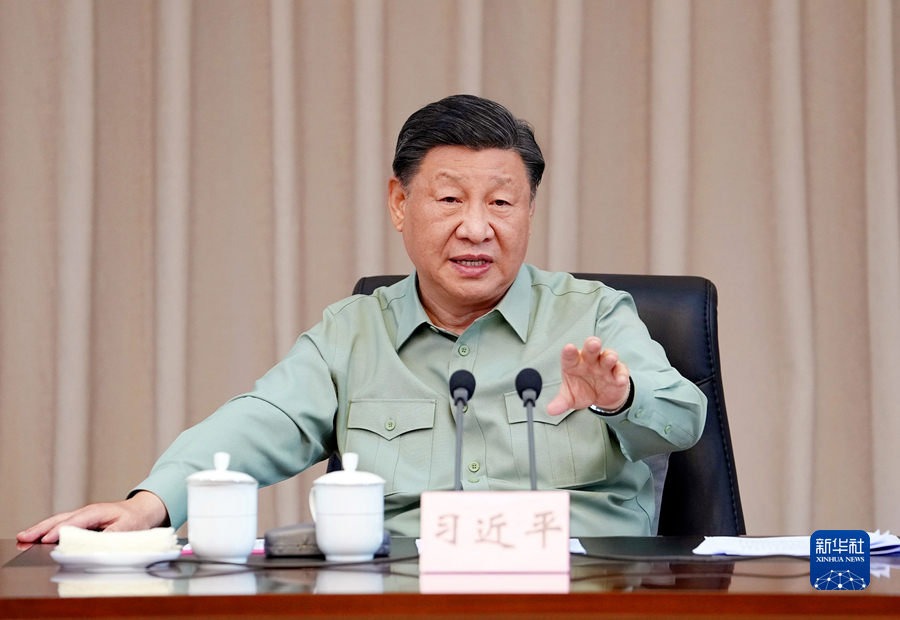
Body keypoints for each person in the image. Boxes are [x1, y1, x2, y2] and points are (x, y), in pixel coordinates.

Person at [19, 95, 705, 543]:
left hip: (576, 595)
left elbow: (681, 418)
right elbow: (260, 420)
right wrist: (149, 505)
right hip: (401, 599)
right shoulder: (352, 333)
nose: (477, 228)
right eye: (449, 200)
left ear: (529, 210)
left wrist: (620, 398)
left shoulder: (592, 315)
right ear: (400, 205)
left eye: (501, 203)